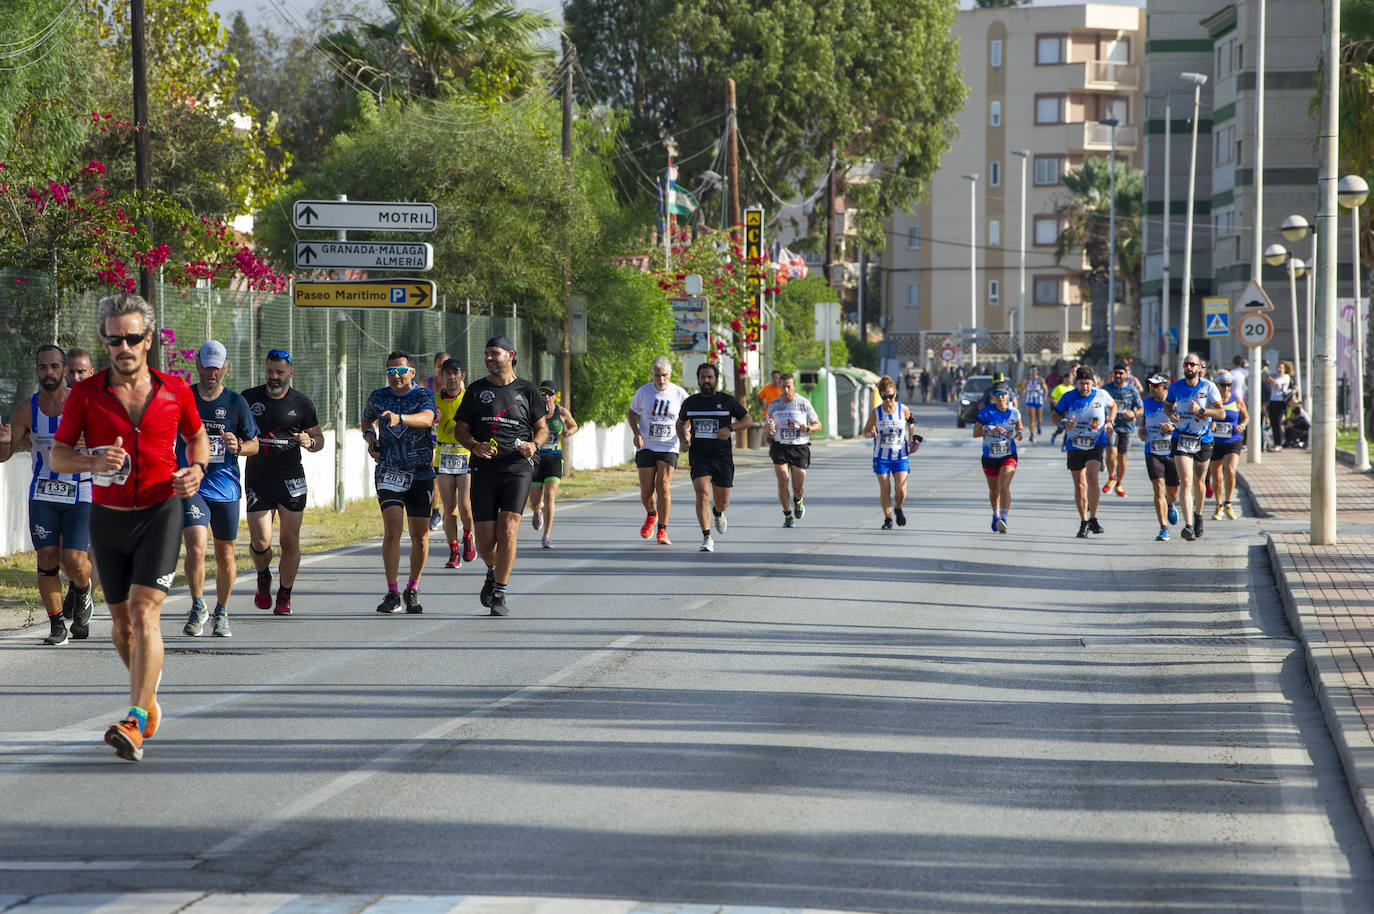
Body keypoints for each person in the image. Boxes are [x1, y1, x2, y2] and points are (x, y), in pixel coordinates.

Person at [50, 292, 209, 762]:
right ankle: (149, 701)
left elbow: (197, 438)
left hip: (161, 512)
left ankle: (135, 719)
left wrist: (196, 470)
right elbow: (59, 455)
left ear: (149, 339)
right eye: (115, 339)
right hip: (108, 518)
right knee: (121, 627)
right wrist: (91, 459)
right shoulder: (86, 393)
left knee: (145, 613)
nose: (124, 346)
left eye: (133, 337)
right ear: (105, 341)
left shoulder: (176, 390)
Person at [0, 345, 96, 645]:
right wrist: (4, 442)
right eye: (43, 367)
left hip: (81, 490)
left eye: (55, 367)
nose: (49, 373)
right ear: (36, 371)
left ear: (64, 370)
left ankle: (82, 591)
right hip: (42, 492)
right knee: (47, 556)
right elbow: (5, 456)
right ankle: (56, 625)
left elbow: (109, 443)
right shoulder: (26, 410)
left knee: (75, 561)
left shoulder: (83, 404)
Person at [453, 336, 547, 616]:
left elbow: (541, 428)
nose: (489, 358)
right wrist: (474, 445)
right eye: (486, 354)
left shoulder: (528, 390)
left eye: (495, 353)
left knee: (507, 530)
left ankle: (500, 594)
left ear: (510, 355)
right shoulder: (476, 390)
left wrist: (535, 445)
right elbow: (460, 430)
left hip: (518, 467)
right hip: (484, 468)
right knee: (484, 540)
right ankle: (493, 571)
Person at [179, 341, 260, 638]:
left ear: (225, 368)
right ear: (198, 365)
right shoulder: (183, 398)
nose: (211, 372)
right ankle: (198, 605)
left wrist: (238, 446)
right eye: (207, 365)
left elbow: (254, 444)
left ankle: (221, 611)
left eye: (217, 366)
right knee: (196, 547)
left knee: (226, 554)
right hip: (192, 483)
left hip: (225, 486)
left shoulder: (236, 403)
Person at [242, 348, 324, 616]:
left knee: (290, 542)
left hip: (291, 480)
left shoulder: (302, 403)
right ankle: (263, 574)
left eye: (279, 372)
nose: (274, 377)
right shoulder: (249, 398)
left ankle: (285, 594)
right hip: (259, 479)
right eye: (269, 371)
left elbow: (318, 439)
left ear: (291, 372)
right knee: (261, 541)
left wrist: (309, 442)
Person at [362, 351, 439, 614]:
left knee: (420, 536)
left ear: (412, 372)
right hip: (389, 472)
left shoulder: (423, 395)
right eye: (391, 371)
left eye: (401, 371)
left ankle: (412, 588)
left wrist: (400, 418)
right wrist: (371, 438)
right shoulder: (379, 396)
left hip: (420, 474)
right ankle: (392, 592)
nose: (396, 376)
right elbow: (366, 419)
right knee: (393, 531)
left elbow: (428, 418)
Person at [677, 362, 752, 551]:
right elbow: (680, 423)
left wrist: (730, 428)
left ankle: (718, 513)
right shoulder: (690, 403)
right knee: (702, 494)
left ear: (716, 380)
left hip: (722, 457)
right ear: (698, 380)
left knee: (722, 501)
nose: (706, 381)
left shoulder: (727, 401)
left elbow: (748, 420)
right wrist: (683, 439)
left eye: (710, 377)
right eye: (703, 377)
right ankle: (706, 537)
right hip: (699, 456)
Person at [627, 356, 690, 544]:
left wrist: (686, 434)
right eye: (657, 375)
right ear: (652, 374)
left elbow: (689, 416)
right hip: (646, 445)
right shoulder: (643, 392)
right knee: (647, 491)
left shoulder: (679, 393)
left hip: (668, 445)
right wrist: (636, 433)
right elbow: (632, 413)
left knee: (663, 485)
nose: (661, 380)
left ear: (670, 374)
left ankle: (662, 530)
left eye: (664, 375)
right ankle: (651, 514)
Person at [1166, 352, 1225, 541]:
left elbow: (1221, 413)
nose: (1189, 368)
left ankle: (1198, 516)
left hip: (1203, 439)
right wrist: (1171, 414)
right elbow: (1168, 406)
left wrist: (1202, 410)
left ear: (1200, 367)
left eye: (1192, 364)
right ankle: (1189, 525)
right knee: (1186, 480)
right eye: (1186, 364)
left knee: (1199, 482)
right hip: (1181, 438)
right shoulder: (1175, 387)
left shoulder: (1209, 387)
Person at [1053, 366, 1116, 538]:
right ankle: (1084, 521)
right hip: (1074, 444)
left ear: (1092, 383)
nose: (1085, 387)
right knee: (1080, 485)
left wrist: (1110, 421)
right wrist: (1064, 423)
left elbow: (1113, 406)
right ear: (1076, 383)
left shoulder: (1101, 394)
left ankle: (1094, 517)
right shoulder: (1068, 397)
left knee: (1092, 478)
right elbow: (1055, 415)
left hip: (1096, 441)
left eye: (1087, 383)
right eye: (1081, 383)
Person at [432, 357, 477, 568]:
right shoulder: (433, 401)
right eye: (447, 373)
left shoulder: (471, 399)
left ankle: (468, 536)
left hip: (465, 454)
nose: (451, 377)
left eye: (455, 373)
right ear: (441, 376)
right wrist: (432, 420)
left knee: (465, 507)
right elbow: (427, 428)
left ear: (462, 376)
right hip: (443, 455)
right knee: (449, 509)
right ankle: (453, 551)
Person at [764, 372, 821, 530]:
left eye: (789, 387)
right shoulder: (774, 404)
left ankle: (798, 499)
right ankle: (787, 515)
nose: (786, 390)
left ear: (794, 386)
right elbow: (766, 426)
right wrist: (769, 428)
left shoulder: (803, 403)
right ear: (780, 387)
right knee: (782, 479)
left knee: (798, 486)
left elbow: (818, 424)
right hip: (780, 446)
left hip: (799, 446)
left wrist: (808, 428)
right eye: (783, 387)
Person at [862, 376, 919, 529]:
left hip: (901, 456)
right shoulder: (876, 413)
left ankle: (898, 507)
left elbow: (911, 421)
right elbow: (866, 430)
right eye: (884, 397)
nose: (888, 400)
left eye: (891, 396)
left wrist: (912, 436)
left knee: (901, 489)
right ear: (880, 395)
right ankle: (888, 518)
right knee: (885, 488)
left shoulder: (902, 409)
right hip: (881, 457)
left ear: (895, 393)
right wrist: (869, 434)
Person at [528, 379, 578, 548]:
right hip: (537, 458)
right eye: (542, 394)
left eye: (549, 394)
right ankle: (537, 511)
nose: (546, 397)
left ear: (555, 396)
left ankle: (546, 536)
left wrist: (568, 432)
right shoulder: (533, 412)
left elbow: (574, 425)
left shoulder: (562, 412)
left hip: (554, 458)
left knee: (550, 495)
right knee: (534, 501)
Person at [973, 382, 1021, 533]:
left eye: (1003, 395)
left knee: (1003, 486)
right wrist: (989, 429)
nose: (1000, 398)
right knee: (994, 491)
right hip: (990, 456)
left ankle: (1004, 518)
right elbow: (975, 433)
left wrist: (1019, 432)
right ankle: (996, 515)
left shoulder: (1014, 413)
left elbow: (1019, 426)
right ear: (993, 397)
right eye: (997, 395)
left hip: (1008, 454)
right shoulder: (985, 413)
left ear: (1008, 395)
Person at [1139, 373, 1182, 541]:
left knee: (1173, 492)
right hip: (1152, 450)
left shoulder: (1175, 404)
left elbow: (1184, 424)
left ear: (1165, 387)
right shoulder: (1146, 403)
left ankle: (1170, 504)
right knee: (1158, 487)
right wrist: (1142, 431)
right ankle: (1163, 528)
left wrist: (1172, 429)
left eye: (1155, 386)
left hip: (1172, 451)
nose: (1151, 388)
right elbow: (1144, 422)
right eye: (1150, 385)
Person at [1205, 370, 1249, 521]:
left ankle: (1228, 503)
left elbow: (1246, 417)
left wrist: (1242, 426)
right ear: (1216, 385)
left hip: (1233, 441)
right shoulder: (1210, 402)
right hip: (1215, 442)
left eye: (1229, 385)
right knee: (1217, 476)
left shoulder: (1236, 400)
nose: (1226, 389)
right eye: (1223, 385)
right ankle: (1218, 506)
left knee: (1230, 470)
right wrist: (1210, 424)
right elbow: (1203, 417)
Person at [1100, 364, 1143, 498]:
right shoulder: (1106, 389)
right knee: (1111, 451)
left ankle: (1119, 483)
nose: (1118, 376)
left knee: (1122, 457)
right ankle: (1111, 477)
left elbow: (1141, 409)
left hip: (1127, 427)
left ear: (1126, 375)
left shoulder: (1132, 390)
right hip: (1111, 425)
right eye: (1116, 373)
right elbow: (1098, 405)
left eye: (1121, 373)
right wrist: (1104, 416)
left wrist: (1133, 414)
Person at [422, 351, 451, 532]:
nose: (443, 369)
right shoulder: (427, 384)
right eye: (440, 365)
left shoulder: (457, 384)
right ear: (435, 367)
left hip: (451, 436)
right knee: (434, 473)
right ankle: (435, 512)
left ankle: (449, 511)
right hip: (431, 435)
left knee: (449, 478)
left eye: (447, 365)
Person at [1265, 360, 1293, 450]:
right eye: (1278, 367)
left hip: (1281, 402)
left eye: (1281, 367)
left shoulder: (1286, 377)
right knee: (1272, 422)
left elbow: (1275, 383)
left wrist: (1269, 378)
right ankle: (1275, 442)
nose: (1279, 369)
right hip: (1272, 401)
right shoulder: (1274, 376)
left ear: (1285, 369)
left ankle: (1279, 443)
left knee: (1277, 422)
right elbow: (1268, 383)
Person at [1020, 366, 1048, 442]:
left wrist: (1044, 397)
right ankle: (1031, 434)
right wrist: (1020, 397)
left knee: (1039, 418)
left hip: (1039, 401)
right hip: (1030, 401)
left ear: (1037, 372)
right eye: (1031, 371)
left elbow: (1045, 389)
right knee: (1031, 419)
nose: (1032, 373)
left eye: (1034, 371)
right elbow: (1023, 389)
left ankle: (1039, 425)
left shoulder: (1040, 380)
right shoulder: (1027, 380)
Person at [1048, 369, 1075, 445]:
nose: (1072, 380)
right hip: (1061, 411)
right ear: (1065, 379)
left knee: (1068, 427)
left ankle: (1064, 445)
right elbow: (1052, 398)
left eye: (1072, 378)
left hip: (1069, 411)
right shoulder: (1059, 388)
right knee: (1061, 428)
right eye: (1070, 378)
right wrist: (1058, 404)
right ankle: (1055, 435)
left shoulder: (1073, 388)